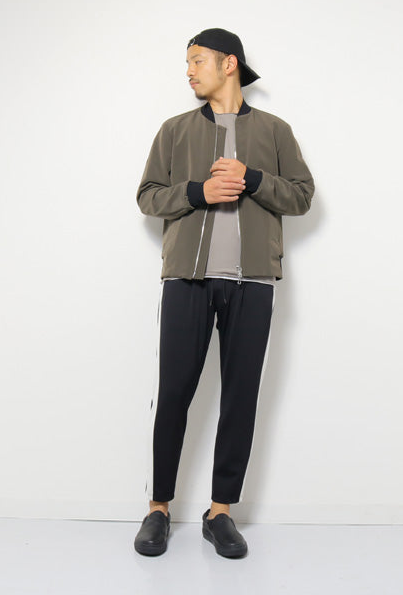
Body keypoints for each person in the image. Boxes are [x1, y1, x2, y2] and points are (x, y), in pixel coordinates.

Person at [133, 28, 315, 558]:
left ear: (228, 63)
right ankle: (158, 509)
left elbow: (302, 196)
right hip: (186, 281)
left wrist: (252, 179)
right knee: (174, 394)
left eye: (198, 61)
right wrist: (199, 192)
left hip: (253, 283)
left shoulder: (275, 131)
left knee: (240, 398)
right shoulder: (175, 130)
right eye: (187, 62)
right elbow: (147, 196)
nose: (189, 71)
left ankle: (220, 513)